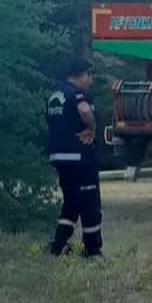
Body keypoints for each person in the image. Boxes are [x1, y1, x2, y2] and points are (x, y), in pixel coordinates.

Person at [47, 60, 104, 258]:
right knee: (90, 204)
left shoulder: (55, 96)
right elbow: (84, 111)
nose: (91, 80)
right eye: (89, 75)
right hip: (80, 159)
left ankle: (58, 245)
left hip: (60, 159)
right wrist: (92, 129)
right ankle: (92, 250)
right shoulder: (76, 94)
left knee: (71, 202)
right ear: (79, 74)